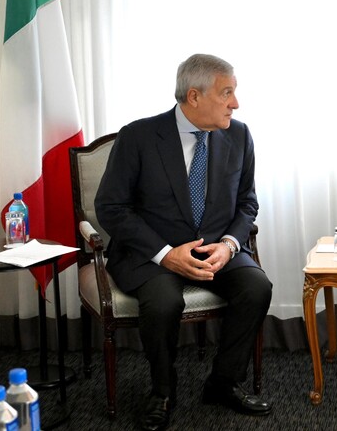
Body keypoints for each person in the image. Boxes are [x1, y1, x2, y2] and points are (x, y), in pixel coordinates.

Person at [95, 53, 273, 431]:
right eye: (226, 93)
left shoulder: (239, 135)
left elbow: (247, 203)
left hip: (215, 249)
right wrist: (165, 254)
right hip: (152, 253)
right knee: (163, 302)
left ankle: (223, 382)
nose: (235, 103)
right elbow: (111, 207)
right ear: (194, 96)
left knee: (257, 287)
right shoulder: (138, 136)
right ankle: (162, 390)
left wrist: (229, 245)